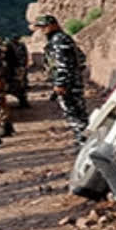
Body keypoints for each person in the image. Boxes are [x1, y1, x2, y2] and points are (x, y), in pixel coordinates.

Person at [31, 14, 87, 149]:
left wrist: (60, 83)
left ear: (53, 25)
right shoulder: (59, 39)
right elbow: (80, 57)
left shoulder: (59, 40)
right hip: (72, 81)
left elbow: (63, 64)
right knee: (77, 113)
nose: (42, 30)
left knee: (75, 114)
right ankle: (82, 139)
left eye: (44, 26)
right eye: (40, 27)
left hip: (69, 85)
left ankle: (84, 143)